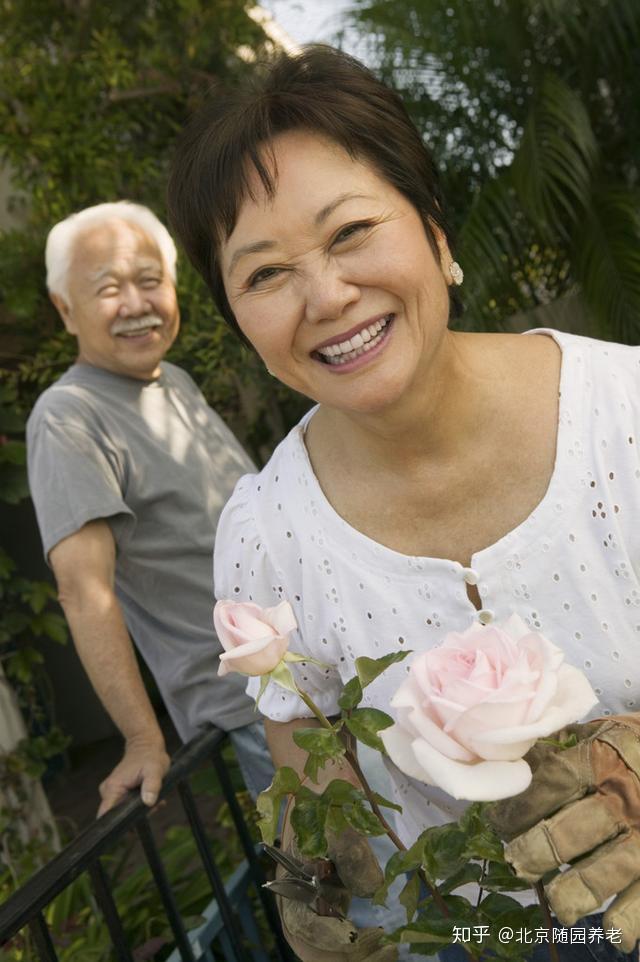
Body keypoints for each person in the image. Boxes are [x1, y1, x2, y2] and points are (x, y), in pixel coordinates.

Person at [167, 46, 640, 962]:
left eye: (350, 233)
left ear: (433, 229)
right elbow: (311, 777)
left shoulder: (625, 421)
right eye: (265, 274)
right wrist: (327, 896)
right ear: (238, 324)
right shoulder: (265, 540)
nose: (329, 296)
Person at [26, 201, 273, 815]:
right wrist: (142, 738)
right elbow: (85, 594)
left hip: (317, 675)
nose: (137, 305)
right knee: (377, 898)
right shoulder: (68, 417)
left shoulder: (175, 381)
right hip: (255, 708)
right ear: (65, 310)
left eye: (150, 280)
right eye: (109, 289)